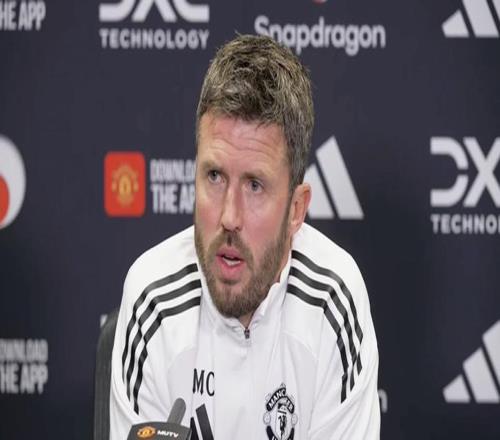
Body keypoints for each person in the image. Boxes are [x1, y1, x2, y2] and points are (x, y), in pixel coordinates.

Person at [110, 34, 380, 440]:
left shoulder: (333, 303)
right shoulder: (153, 301)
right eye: (214, 176)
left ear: (296, 209)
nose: (229, 217)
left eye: (255, 185)